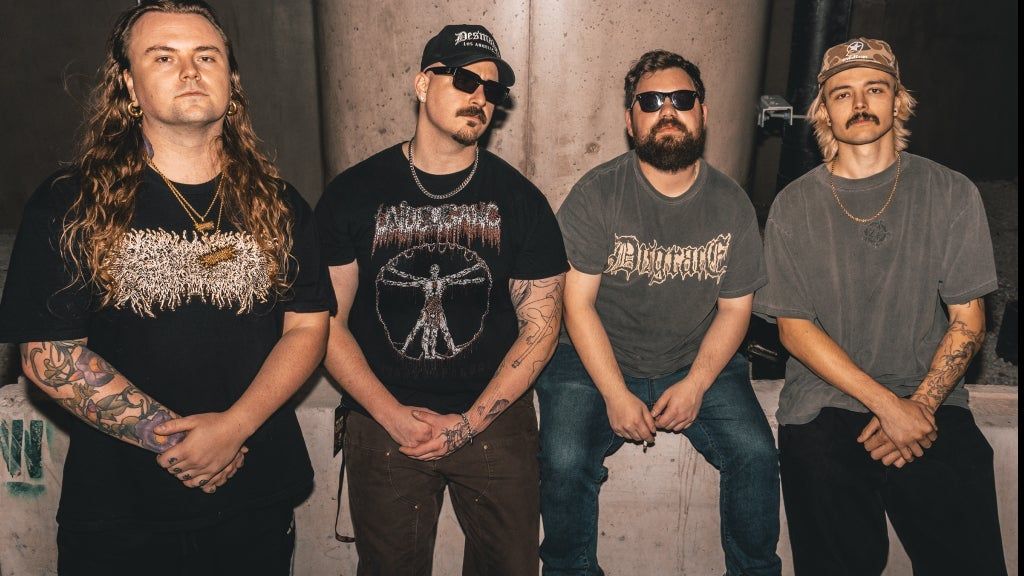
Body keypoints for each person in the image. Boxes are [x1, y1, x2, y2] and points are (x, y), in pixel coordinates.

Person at [0, 1, 334, 574]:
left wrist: (233, 428)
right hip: (122, 511)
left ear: (232, 80)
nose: (189, 70)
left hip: (256, 498)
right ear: (129, 86)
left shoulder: (279, 203)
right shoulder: (70, 202)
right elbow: (48, 355)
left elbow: (307, 326)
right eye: (163, 57)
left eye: (207, 56)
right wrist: (175, 442)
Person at [315, 24, 567, 576]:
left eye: (492, 90)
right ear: (422, 84)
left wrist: (470, 423)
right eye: (464, 79)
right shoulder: (353, 194)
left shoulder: (521, 201)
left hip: (493, 419)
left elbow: (541, 327)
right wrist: (389, 414)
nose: (480, 97)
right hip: (382, 418)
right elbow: (324, 322)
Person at [753, 37, 1007, 576]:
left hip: (931, 399)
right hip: (824, 403)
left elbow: (968, 322)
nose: (860, 102)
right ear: (824, 111)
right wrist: (890, 409)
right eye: (842, 93)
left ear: (898, 101)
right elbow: (794, 330)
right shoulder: (794, 205)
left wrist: (919, 407)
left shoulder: (951, 192)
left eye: (875, 88)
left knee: (968, 553)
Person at [537, 49, 781, 576]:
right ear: (630, 121)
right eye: (650, 102)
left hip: (692, 357)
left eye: (681, 99)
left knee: (756, 455)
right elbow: (575, 305)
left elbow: (735, 311)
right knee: (562, 459)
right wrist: (615, 393)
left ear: (703, 113)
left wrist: (696, 384)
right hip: (592, 358)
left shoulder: (731, 203)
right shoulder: (598, 194)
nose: (667, 110)